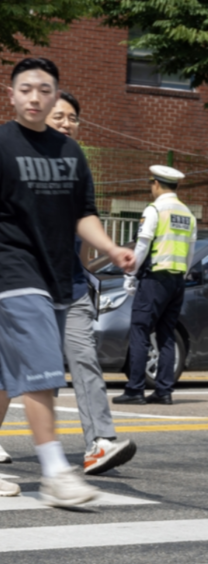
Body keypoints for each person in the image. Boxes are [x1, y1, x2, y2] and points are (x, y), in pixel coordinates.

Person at [0, 57, 134, 507]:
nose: (35, 96)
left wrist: (111, 249)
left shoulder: (70, 152)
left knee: (2, 372)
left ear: (56, 96)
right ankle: (55, 471)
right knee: (41, 370)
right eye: (26, 88)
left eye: (45, 89)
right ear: (11, 94)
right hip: (12, 273)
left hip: (56, 276)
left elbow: (83, 214)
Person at [45, 91, 137, 474]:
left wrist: (112, 251)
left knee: (84, 361)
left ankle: (100, 441)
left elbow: (85, 221)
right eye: (59, 117)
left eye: (73, 118)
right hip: (29, 287)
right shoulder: (17, 162)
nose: (67, 123)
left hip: (72, 287)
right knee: (13, 367)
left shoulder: (77, 166)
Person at [113, 165, 196, 405]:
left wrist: (131, 274)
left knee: (140, 331)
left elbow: (142, 245)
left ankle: (135, 389)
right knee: (166, 334)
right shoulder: (188, 214)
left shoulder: (155, 210)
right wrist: (181, 275)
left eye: (151, 184)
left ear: (156, 184)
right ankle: (163, 390)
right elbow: (190, 252)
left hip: (154, 279)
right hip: (177, 280)